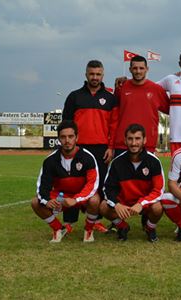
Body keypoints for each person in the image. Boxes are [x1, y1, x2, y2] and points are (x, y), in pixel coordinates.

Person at [62, 59, 116, 233]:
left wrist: (111, 147)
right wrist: (67, 146)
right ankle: (69, 222)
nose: (95, 77)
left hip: (101, 149)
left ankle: (95, 221)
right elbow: (66, 124)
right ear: (86, 74)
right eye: (92, 74)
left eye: (98, 74)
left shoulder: (110, 98)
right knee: (73, 184)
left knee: (98, 185)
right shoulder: (74, 96)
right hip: (78, 148)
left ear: (103, 75)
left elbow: (114, 125)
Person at [31, 120, 100, 243]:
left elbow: (92, 184)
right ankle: (58, 229)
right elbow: (42, 186)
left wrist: (76, 199)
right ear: (58, 139)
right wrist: (47, 200)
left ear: (77, 137)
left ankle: (89, 230)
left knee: (95, 200)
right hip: (61, 198)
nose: (67, 140)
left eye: (70, 136)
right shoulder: (50, 160)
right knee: (36, 202)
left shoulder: (87, 157)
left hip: (80, 196)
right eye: (63, 137)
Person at [100, 124, 165, 242]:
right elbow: (108, 188)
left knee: (157, 208)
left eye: (137, 139)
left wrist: (141, 203)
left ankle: (150, 228)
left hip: (143, 203)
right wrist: (117, 204)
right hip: (124, 203)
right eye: (130, 139)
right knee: (104, 206)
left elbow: (158, 190)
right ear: (125, 140)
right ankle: (123, 227)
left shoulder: (153, 161)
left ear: (144, 140)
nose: (134, 143)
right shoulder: (117, 162)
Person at [110, 56, 169, 154]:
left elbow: (172, 110)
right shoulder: (121, 87)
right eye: (135, 68)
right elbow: (114, 114)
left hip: (147, 144)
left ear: (147, 69)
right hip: (123, 144)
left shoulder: (156, 89)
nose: (138, 71)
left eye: (141, 68)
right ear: (130, 69)